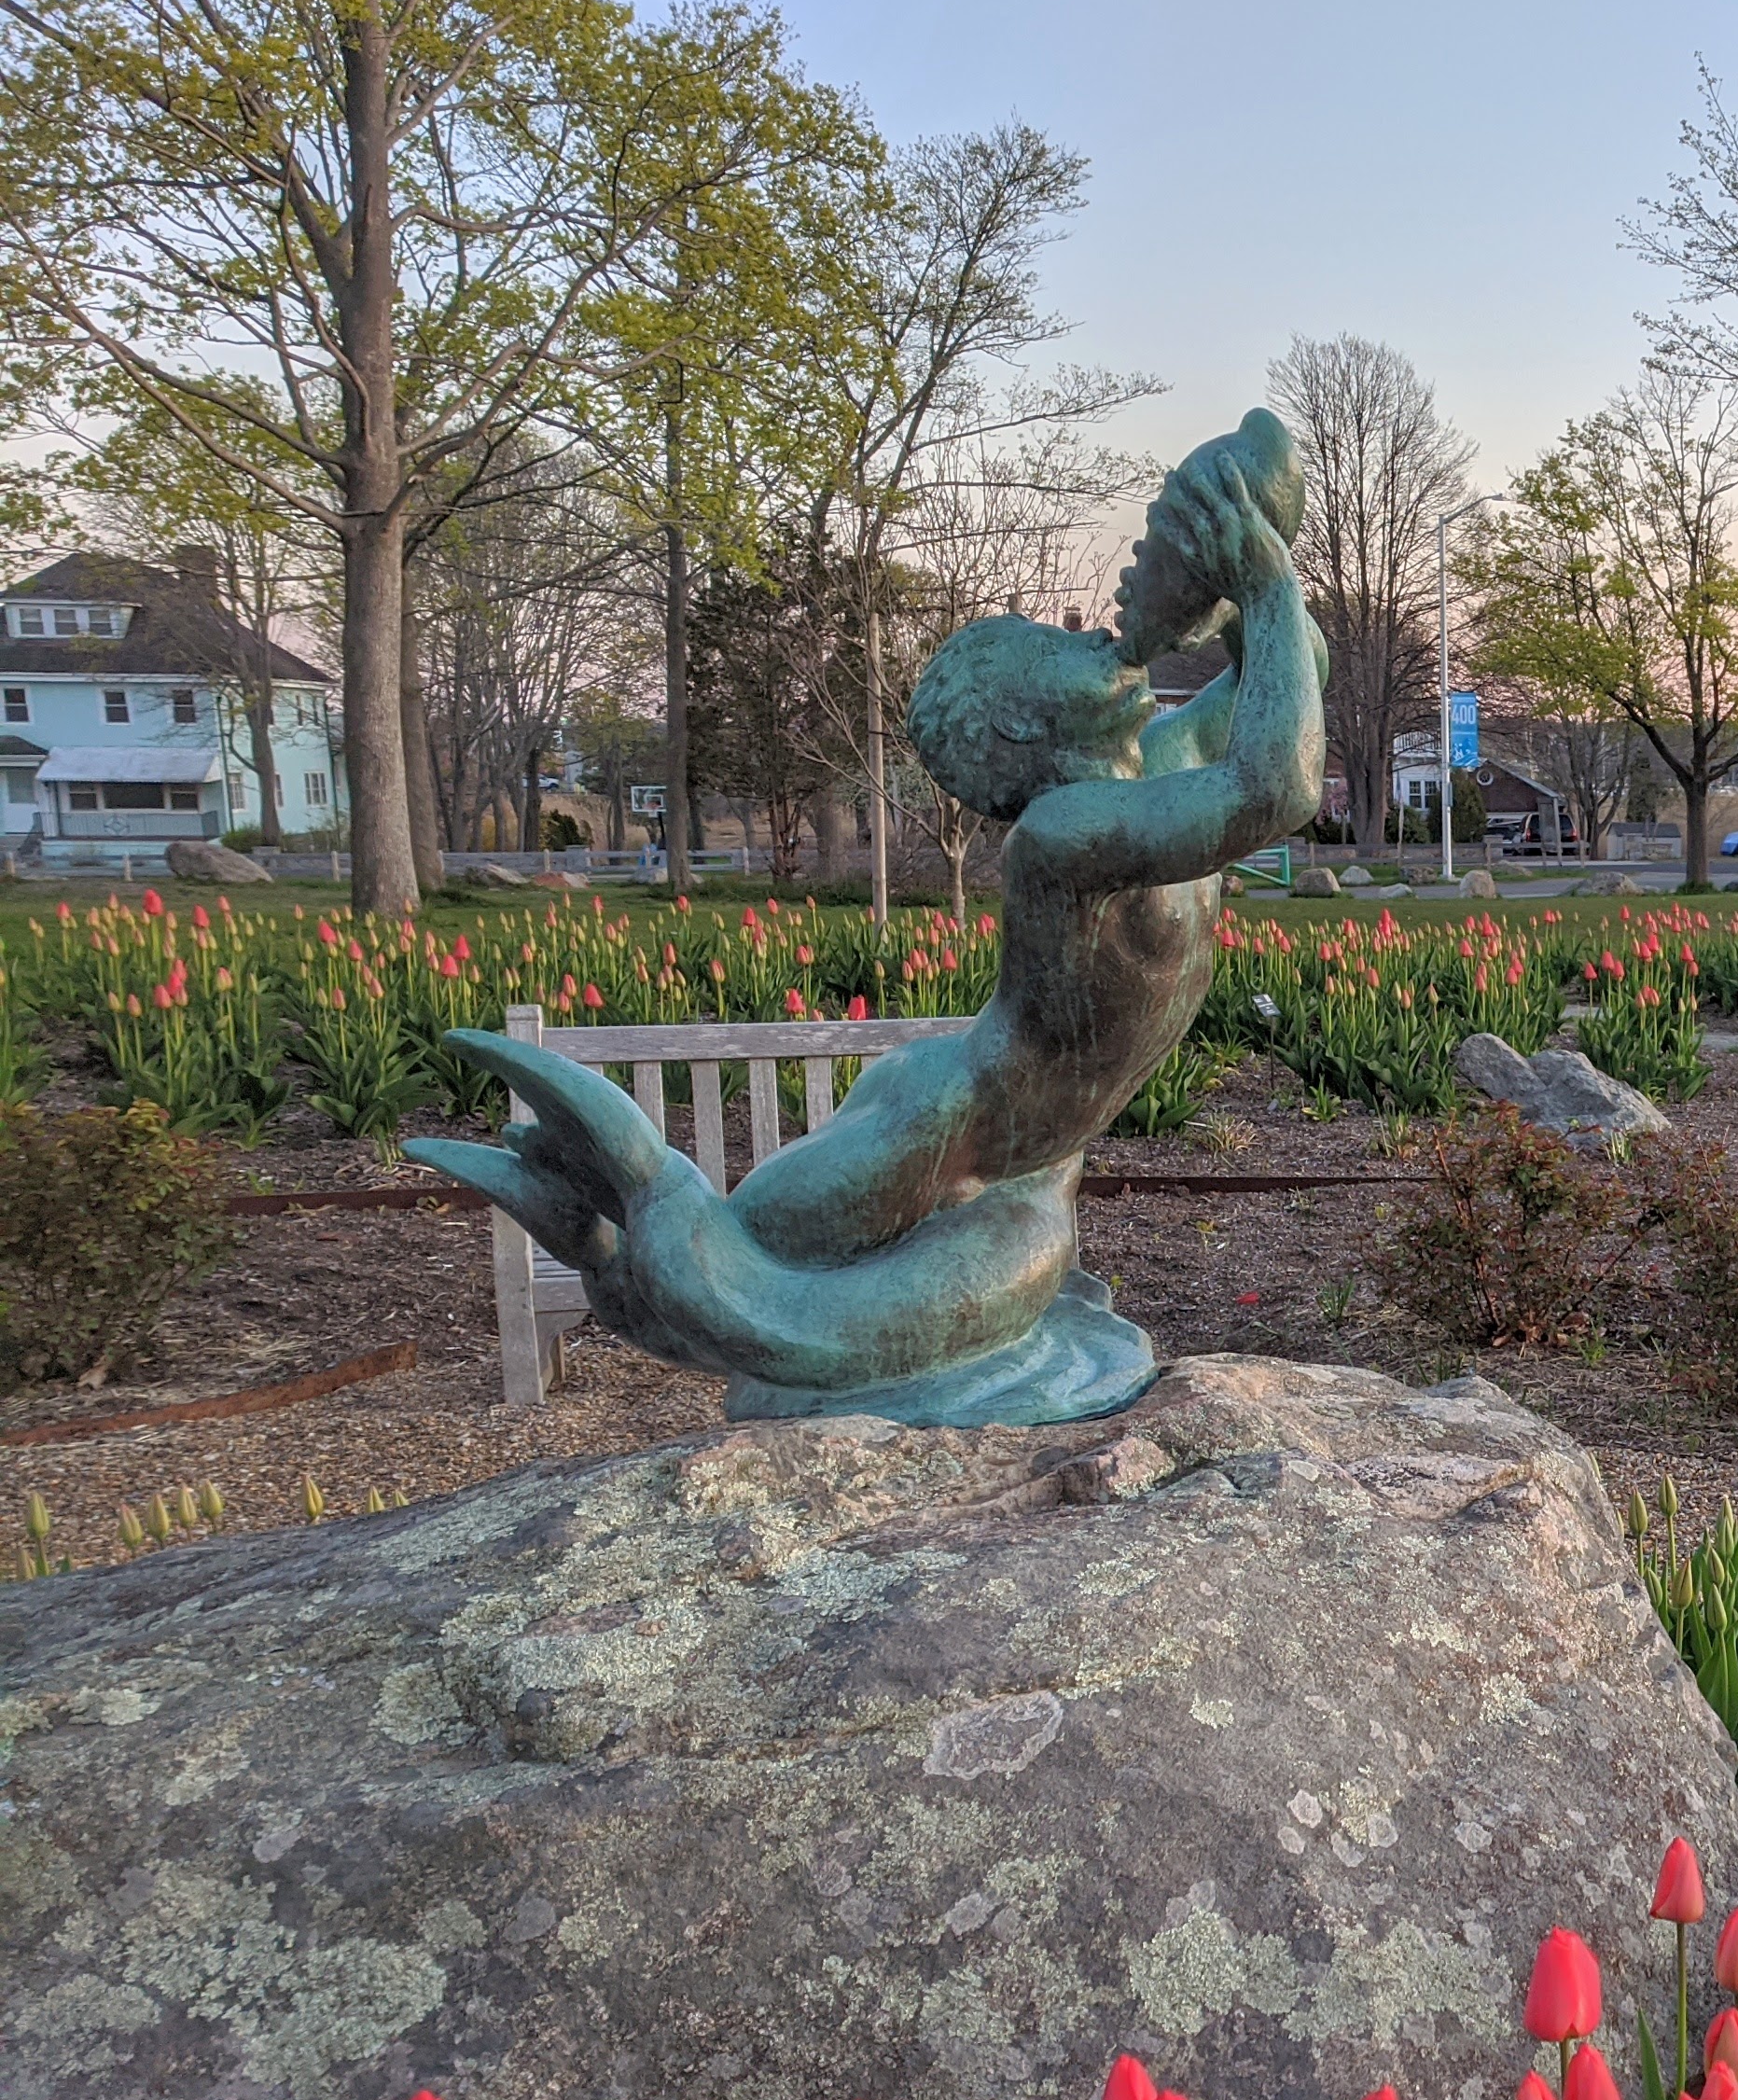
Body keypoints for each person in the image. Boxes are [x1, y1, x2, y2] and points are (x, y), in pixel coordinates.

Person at [410, 412, 1327, 1425]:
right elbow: (1278, 787)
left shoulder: (1157, 766)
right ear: (1021, 720)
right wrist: (1262, 581)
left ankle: (626, 1254)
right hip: (945, 1118)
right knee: (739, 1254)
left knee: (948, 1292)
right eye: (1054, 643)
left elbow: (1296, 668)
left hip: (1026, 1156)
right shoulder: (1066, 835)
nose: (1094, 632)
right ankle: (610, 1232)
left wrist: (1223, 574)